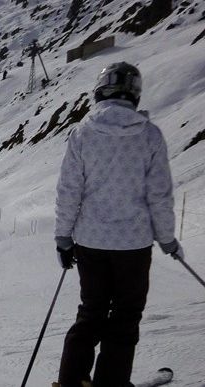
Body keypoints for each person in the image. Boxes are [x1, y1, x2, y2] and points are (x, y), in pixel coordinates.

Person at [53, 62, 183, 387]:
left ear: (100, 91)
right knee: (125, 318)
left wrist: (64, 238)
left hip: (90, 242)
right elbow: (160, 195)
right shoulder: (150, 136)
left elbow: (70, 190)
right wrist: (166, 238)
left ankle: (71, 382)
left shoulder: (82, 133)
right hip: (133, 246)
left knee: (91, 311)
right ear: (135, 95)